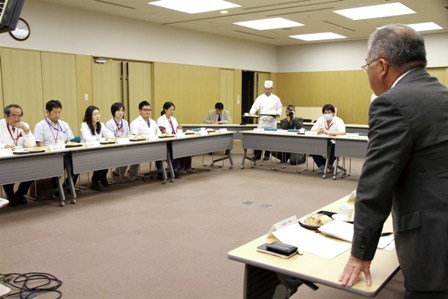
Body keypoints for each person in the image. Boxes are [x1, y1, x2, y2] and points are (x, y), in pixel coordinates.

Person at [339, 24, 448, 298]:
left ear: (382, 66)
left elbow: (375, 186)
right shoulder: (442, 94)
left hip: (433, 240)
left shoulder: (391, 104)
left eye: (367, 65)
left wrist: (359, 254)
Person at [34, 99, 77, 192]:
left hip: (64, 153)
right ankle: (57, 189)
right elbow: (39, 143)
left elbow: (69, 141)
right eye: (55, 112)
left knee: (78, 163)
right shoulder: (40, 125)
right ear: (47, 112)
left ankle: (67, 186)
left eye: (59, 112)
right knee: (58, 165)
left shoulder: (64, 124)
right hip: (49, 155)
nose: (57, 115)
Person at [0, 104, 36, 207]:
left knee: (34, 171)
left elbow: (31, 144)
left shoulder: (24, 125)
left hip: (21, 157)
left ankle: (20, 193)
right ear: (5, 115)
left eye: (19, 116)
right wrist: (4, 146)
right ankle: (11, 196)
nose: (17, 119)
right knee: (7, 173)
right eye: (14, 116)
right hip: (5, 158)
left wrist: (26, 130)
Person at [80, 105, 114, 191]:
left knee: (107, 157)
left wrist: (108, 137)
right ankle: (95, 180)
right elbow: (87, 139)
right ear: (89, 116)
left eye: (98, 114)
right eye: (95, 114)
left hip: (99, 150)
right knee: (100, 158)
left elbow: (110, 135)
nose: (97, 116)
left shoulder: (101, 125)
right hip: (86, 151)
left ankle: (102, 178)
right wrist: (101, 139)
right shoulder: (84, 125)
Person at [157, 101, 194, 176]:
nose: (172, 111)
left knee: (187, 145)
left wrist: (179, 132)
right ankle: (175, 169)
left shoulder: (173, 119)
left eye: (173, 109)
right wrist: (172, 135)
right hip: (167, 140)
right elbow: (163, 131)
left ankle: (184, 167)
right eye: (171, 109)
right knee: (176, 148)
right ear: (165, 110)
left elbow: (177, 129)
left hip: (175, 139)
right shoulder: (160, 119)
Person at [249, 80, 282, 161]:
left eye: (268, 89)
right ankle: (257, 154)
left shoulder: (276, 98)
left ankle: (267, 154)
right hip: (262, 122)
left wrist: (277, 113)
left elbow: (279, 108)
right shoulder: (260, 98)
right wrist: (251, 112)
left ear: (271, 89)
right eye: (265, 89)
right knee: (258, 138)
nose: (266, 91)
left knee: (269, 139)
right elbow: (254, 107)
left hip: (271, 122)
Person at [129, 100, 162, 179]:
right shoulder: (135, 123)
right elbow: (134, 137)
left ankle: (161, 172)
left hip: (154, 145)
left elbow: (159, 133)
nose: (148, 112)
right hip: (141, 147)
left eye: (149, 110)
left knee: (163, 151)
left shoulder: (153, 122)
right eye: (145, 110)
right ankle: (132, 173)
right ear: (140, 111)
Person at [310, 104, 345, 173]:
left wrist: (328, 131)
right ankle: (325, 166)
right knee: (312, 148)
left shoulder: (339, 120)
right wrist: (318, 131)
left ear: (333, 113)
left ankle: (327, 165)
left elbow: (342, 132)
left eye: (329, 112)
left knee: (333, 148)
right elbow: (312, 130)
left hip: (334, 142)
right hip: (322, 142)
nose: (327, 114)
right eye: (325, 113)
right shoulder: (321, 119)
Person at [106, 102, 132, 182]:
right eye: (118, 111)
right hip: (115, 146)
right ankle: (117, 174)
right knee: (125, 154)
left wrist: (123, 137)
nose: (121, 113)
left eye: (122, 110)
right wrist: (123, 137)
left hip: (125, 144)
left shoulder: (125, 122)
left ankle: (119, 174)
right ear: (113, 112)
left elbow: (129, 135)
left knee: (133, 153)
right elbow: (111, 138)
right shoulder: (109, 123)